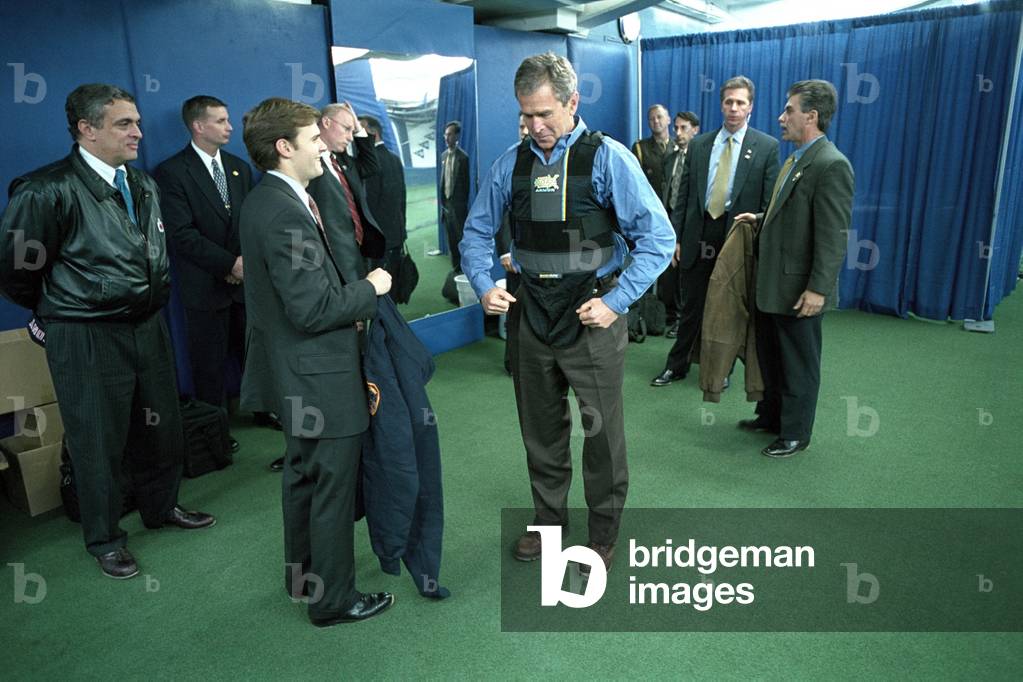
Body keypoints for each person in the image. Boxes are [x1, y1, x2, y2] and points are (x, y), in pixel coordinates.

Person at [460, 52, 675, 573]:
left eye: (545, 115)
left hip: (592, 314)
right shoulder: (509, 163)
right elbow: (475, 232)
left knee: (601, 433)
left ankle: (602, 534)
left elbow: (659, 239)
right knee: (541, 429)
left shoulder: (609, 159)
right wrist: (486, 284)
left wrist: (616, 301)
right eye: (526, 116)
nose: (536, 127)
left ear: (572, 102)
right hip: (530, 316)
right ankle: (548, 523)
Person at [0, 83, 215, 580]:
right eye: (124, 123)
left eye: (137, 121)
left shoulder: (141, 184)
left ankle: (162, 509)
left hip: (147, 325)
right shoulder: (45, 189)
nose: (139, 132)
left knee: (161, 428)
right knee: (97, 439)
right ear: (87, 129)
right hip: (86, 335)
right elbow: (14, 268)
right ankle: (104, 538)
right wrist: (51, 311)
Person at [238, 97, 394, 625]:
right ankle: (332, 600)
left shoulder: (269, 200)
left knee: (303, 477)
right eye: (313, 140)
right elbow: (313, 309)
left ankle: (302, 578)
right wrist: (370, 288)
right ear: (284, 148)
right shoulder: (283, 211)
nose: (324, 146)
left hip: (295, 372)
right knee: (331, 487)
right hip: (320, 374)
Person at [733, 79, 854, 458]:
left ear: (812, 116)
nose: (781, 117)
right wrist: (762, 217)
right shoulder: (796, 158)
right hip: (774, 286)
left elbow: (833, 236)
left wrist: (818, 289)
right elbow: (792, 212)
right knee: (772, 356)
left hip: (799, 290)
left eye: (789, 110)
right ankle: (771, 416)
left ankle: (796, 433)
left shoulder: (831, 164)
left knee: (798, 363)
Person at [154, 95, 279, 458]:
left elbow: (250, 222)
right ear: (198, 126)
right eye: (222, 121)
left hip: (245, 285)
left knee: (253, 352)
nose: (230, 127)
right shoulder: (172, 172)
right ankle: (215, 427)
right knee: (208, 363)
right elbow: (181, 234)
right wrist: (230, 265)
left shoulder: (239, 168)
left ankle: (263, 407)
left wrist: (244, 265)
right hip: (204, 287)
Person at [651, 76, 779, 388]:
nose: (734, 108)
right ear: (721, 104)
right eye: (729, 102)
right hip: (699, 235)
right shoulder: (699, 144)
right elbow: (683, 197)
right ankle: (677, 365)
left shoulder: (766, 147)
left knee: (729, 310)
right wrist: (677, 238)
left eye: (740, 102)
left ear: (751, 107)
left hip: (736, 237)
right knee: (692, 307)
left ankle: (720, 371)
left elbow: (769, 204)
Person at [306, 102, 386, 287]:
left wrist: (359, 129)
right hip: (332, 258)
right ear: (326, 122)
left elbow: (371, 166)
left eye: (353, 131)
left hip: (358, 252)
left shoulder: (342, 160)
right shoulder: (308, 163)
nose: (351, 137)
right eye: (347, 129)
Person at [659, 110, 701, 337]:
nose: (678, 132)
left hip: (692, 225)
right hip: (669, 222)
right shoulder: (671, 158)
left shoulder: (701, 159)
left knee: (687, 274)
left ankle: (685, 320)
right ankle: (672, 315)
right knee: (670, 274)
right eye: (676, 127)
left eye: (683, 128)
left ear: (695, 130)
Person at [358, 115, 407, 278]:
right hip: (396, 234)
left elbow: (369, 204)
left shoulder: (368, 163)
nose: (354, 135)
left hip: (379, 239)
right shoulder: (394, 158)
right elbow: (402, 199)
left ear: (373, 133)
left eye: (359, 130)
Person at [440, 120, 470, 271]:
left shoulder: (464, 158)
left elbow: (466, 187)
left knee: (460, 240)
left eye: (450, 134)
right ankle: (455, 269)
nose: (447, 138)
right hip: (446, 208)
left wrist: (460, 206)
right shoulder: (443, 156)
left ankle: (465, 269)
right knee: (451, 241)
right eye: (445, 135)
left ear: (457, 136)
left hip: (459, 209)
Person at [631, 104, 674, 194]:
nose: (656, 121)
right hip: (651, 202)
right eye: (651, 119)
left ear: (668, 120)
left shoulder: (679, 146)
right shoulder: (640, 148)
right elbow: (635, 180)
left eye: (659, 117)